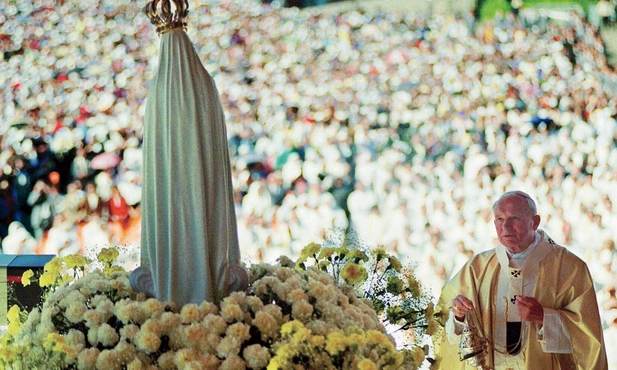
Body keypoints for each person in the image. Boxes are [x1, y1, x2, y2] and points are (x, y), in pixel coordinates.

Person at [436, 191, 608, 369]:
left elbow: (588, 334)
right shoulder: (477, 268)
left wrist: (544, 318)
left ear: (535, 222)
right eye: (500, 219)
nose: (506, 227)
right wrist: (458, 315)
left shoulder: (568, 268)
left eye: (515, 218)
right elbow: (442, 322)